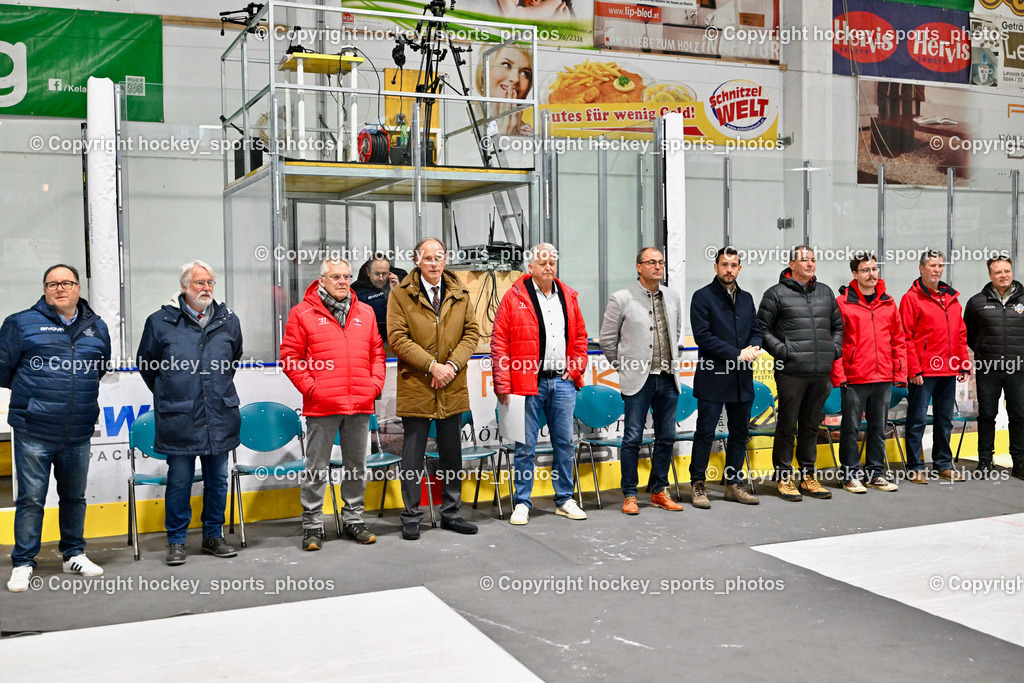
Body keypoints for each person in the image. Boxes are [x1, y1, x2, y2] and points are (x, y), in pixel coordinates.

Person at [1, 265, 110, 592]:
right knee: (31, 498)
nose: (59, 288)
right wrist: (37, 398)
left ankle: (73, 554)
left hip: (78, 429)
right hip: (34, 427)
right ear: (45, 290)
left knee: (74, 497)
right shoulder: (20, 323)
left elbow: (98, 369)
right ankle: (23, 562)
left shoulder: (97, 327)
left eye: (66, 283)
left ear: (78, 288)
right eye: (52, 284)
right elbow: (3, 370)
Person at [137, 260, 243, 566]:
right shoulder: (160, 322)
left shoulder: (228, 320)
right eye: (199, 283)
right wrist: (174, 392)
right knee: (180, 481)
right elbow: (148, 366)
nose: (206, 288)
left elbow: (231, 360)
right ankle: (177, 541)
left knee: (218, 481)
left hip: (219, 415)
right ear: (184, 286)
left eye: (210, 282)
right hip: (179, 418)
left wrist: (213, 391)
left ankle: (214, 536)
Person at [281, 258, 386, 550]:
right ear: (322, 280)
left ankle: (353, 520)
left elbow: (377, 352)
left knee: (356, 467)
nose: (342, 281)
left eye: (346, 276)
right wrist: (312, 389)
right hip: (322, 405)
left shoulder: (364, 312)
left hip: (360, 402)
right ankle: (313, 526)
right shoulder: (302, 313)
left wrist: (374, 385)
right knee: (316, 468)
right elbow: (290, 356)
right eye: (336, 276)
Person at [388, 237, 481, 540]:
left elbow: (472, 334)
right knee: (413, 456)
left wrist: (451, 367)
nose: (434, 263)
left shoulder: (460, 292)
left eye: (438, 257)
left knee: (452, 455)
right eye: (427, 258)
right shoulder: (401, 295)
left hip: (452, 386)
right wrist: (432, 366)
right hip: (418, 385)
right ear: (417, 261)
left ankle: (451, 513)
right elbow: (398, 338)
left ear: (445, 260)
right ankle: (411, 516)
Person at [491, 243, 589, 525]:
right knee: (524, 446)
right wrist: (503, 383)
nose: (549, 267)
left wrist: (575, 369)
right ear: (530, 267)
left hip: (562, 382)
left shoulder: (568, 296)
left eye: (553, 262)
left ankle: (564, 499)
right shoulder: (513, 298)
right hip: (526, 383)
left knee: (564, 443)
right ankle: (522, 502)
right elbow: (499, 343)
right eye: (543, 262)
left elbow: (580, 337)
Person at [600, 247, 685, 514]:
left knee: (667, 437)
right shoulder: (621, 298)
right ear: (639, 267)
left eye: (661, 262)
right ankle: (630, 495)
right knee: (632, 437)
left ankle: (659, 490)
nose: (658, 266)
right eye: (651, 262)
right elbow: (607, 340)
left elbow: (677, 330)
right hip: (639, 379)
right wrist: (624, 367)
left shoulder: (672, 297)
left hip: (668, 378)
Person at [757, 245, 843, 502]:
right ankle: (784, 478)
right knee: (787, 426)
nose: (810, 264)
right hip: (791, 372)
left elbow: (838, 325)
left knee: (810, 426)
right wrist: (783, 352)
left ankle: (808, 476)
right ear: (791, 264)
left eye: (813, 260)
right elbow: (762, 329)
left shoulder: (826, 292)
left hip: (820, 371)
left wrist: (834, 349)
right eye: (804, 260)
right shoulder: (776, 294)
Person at [689, 247, 762, 508]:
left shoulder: (747, 298)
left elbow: (756, 329)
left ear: (739, 268)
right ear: (716, 267)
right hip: (713, 376)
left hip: (742, 379)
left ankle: (733, 484)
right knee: (705, 433)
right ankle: (698, 485)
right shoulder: (702, 297)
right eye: (724, 264)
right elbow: (703, 337)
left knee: (740, 433)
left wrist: (754, 347)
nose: (729, 269)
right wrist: (737, 353)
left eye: (733, 265)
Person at [832, 252, 907, 494]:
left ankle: (875, 473)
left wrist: (900, 372)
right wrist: (840, 375)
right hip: (855, 377)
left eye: (874, 269)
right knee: (851, 428)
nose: (872, 274)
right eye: (866, 270)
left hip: (883, 376)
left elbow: (898, 340)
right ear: (854, 274)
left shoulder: (888, 302)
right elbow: (836, 342)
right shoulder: (842, 303)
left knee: (878, 427)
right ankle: (849, 474)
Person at [900, 250, 970, 484]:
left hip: (949, 370)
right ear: (921, 269)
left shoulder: (952, 298)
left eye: (940, 265)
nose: (937, 269)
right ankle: (915, 466)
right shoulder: (911, 298)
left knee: (944, 419)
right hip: (924, 372)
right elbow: (905, 337)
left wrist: (962, 363)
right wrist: (914, 369)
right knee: (917, 418)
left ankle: (942, 464)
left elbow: (960, 333)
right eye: (932, 265)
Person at [964, 257, 1024, 478]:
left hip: (1019, 370)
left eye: (1007, 271)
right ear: (990, 275)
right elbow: (970, 334)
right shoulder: (977, 302)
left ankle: (1019, 462)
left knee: (1019, 415)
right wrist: (982, 351)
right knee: (987, 414)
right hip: (988, 368)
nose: (1003, 275)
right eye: (998, 272)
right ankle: (985, 461)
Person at [475, 44, 533, 136]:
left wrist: (508, 139)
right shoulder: (462, 118)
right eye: (506, 65)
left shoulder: (530, 136)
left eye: (524, 73)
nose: (515, 79)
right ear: (483, 71)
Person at [351, 255, 400, 346]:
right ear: (368, 272)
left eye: (384, 274)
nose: (381, 278)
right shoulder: (356, 290)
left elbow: (406, 314)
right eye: (376, 274)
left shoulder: (397, 284)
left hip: (394, 339)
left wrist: (397, 291)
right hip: (366, 340)